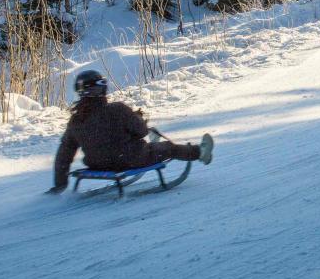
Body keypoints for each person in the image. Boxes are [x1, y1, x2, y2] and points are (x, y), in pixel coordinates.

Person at [48, 70, 213, 193]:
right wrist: (137, 118)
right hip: (131, 159)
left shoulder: (76, 121)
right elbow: (141, 132)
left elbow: (64, 153)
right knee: (169, 148)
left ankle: (154, 149)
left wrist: (59, 184)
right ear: (102, 90)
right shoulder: (117, 109)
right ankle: (200, 152)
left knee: (147, 148)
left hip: (98, 165)